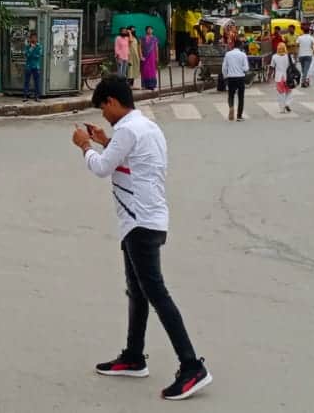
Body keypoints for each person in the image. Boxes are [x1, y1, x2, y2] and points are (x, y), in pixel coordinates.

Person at [73, 75, 211, 401]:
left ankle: (192, 366)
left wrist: (84, 146)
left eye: (103, 109)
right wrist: (106, 142)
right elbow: (130, 162)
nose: (103, 116)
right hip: (147, 219)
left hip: (140, 222)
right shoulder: (146, 127)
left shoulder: (127, 130)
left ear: (111, 102)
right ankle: (134, 356)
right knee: (137, 291)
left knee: (156, 293)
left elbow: (102, 168)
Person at [221, 41, 249, 121]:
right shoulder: (243, 55)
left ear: (234, 46)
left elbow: (224, 67)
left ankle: (231, 107)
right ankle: (239, 116)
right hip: (240, 77)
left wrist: (225, 76)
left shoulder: (228, 54)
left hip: (231, 77)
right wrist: (242, 70)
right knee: (241, 97)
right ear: (241, 46)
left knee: (231, 95)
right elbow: (246, 68)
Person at [271, 40, 294, 113]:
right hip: (288, 77)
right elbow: (293, 64)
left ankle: (282, 109)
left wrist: (270, 76)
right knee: (289, 92)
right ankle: (287, 103)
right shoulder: (288, 56)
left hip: (279, 77)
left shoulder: (274, 56)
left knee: (281, 93)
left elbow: (272, 66)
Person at [22, 32, 43, 101]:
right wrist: (31, 49)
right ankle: (25, 96)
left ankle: (37, 96)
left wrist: (31, 54)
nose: (33, 39)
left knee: (37, 82)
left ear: (36, 39)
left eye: (35, 38)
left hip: (36, 66)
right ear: (30, 39)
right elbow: (27, 55)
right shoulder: (28, 46)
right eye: (32, 38)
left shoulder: (39, 46)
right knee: (26, 82)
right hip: (28, 66)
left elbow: (38, 55)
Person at [140, 26, 160, 90]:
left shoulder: (154, 38)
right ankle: (145, 85)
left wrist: (157, 57)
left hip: (152, 56)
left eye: (151, 29)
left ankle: (152, 85)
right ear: (146, 30)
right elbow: (140, 47)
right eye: (148, 29)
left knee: (152, 70)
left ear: (152, 30)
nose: (149, 31)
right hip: (145, 56)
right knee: (145, 70)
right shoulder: (143, 38)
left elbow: (156, 48)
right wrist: (141, 56)